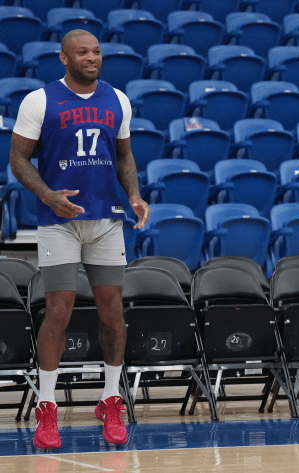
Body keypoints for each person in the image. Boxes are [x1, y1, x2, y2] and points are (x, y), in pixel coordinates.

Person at [9, 29, 149, 449]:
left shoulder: (118, 100)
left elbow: (124, 155)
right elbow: (18, 158)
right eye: (82, 52)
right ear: (64, 58)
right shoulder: (39, 100)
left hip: (106, 218)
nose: (92, 58)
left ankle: (109, 399)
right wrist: (47, 194)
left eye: (96, 52)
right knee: (59, 309)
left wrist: (135, 195)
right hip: (58, 220)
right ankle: (47, 407)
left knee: (112, 312)